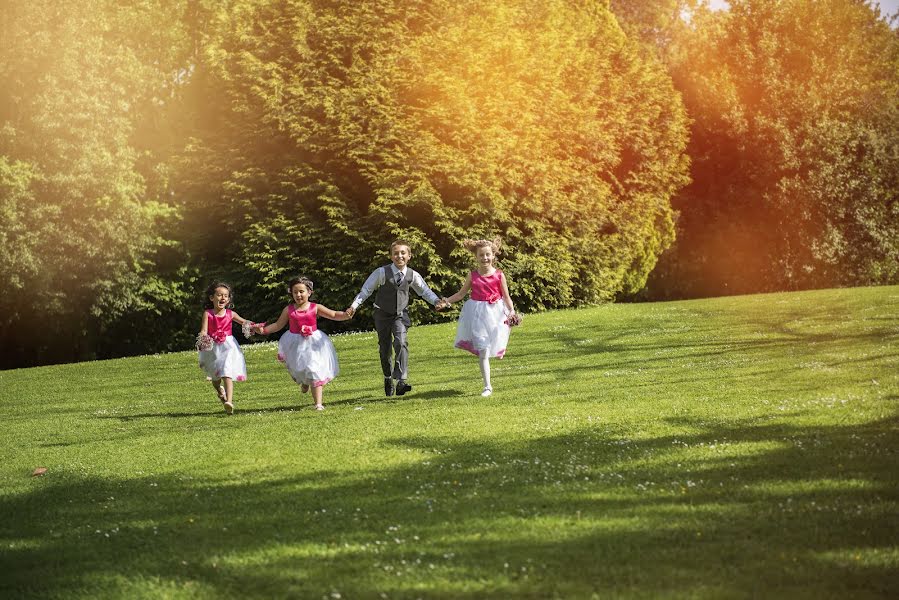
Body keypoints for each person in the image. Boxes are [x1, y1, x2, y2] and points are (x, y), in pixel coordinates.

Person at [346, 239, 447, 397]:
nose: (399, 256)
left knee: (401, 342)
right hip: (382, 315)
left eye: (403, 253)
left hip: (400, 315)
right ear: (391, 256)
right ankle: (387, 377)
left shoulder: (412, 275)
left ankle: (401, 381)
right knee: (385, 348)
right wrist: (354, 306)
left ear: (409, 256)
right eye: (396, 253)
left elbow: (424, 291)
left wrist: (436, 301)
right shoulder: (381, 272)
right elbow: (366, 290)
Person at [256, 276, 350, 411]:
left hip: (314, 343)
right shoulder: (288, 310)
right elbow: (278, 325)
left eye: (301, 291)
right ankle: (304, 382)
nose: (298, 295)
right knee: (300, 369)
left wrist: (345, 315)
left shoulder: (315, 307)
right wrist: (264, 330)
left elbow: (333, 314)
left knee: (314, 370)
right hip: (295, 344)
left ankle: (318, 403)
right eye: (295, 292)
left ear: (309, 292)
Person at [441, 237, 519, 397]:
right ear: (476, 257)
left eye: (488, 255)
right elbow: (461, 294)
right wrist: (447, 301)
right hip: (477, 314)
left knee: (495, 341)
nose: (485, 258)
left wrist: (511, 311)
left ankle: (497, 351)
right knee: (483, 351)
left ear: (493, 255)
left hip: (496, 313)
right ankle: (487, 386)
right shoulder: (472, 276)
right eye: (481, 255)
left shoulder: (499, 275)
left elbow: (506, 296)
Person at [197, 281, 252, 414]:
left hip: (228, 347)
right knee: (216, 379)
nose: (222, 298)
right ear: (212, 298)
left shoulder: (230, 314)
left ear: (228, 299)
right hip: (213, 348)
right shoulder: (208, 314)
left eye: (225, 296)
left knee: (227, 372)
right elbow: (204, 330)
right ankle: (219, 390)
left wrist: (254, 326)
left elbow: (244, 322)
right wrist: (204, 338)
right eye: (219, 295)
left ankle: (229, 402)